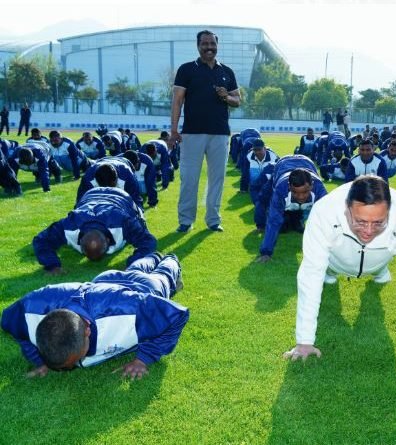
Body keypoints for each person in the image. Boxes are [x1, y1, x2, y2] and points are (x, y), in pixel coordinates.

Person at [283, 176, 396, 362]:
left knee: (381, 263)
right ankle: (331, 272)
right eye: (360, 221)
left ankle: (380, 270)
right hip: (336, 259)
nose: (368, 230)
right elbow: (310, 276)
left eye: (378, 222)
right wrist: (304, 341)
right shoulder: (324, 211)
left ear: (389, 211)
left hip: (380, 257)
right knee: (322, 271)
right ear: (347, 210)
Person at [1, 253, 188, 379]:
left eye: (74, 362)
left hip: (144, 288)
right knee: (134, 270)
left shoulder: (132, 308)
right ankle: (152, 256)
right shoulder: (30, 308)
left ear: (87, 330)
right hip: (104, 280)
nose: (69, 369)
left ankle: (169, 258)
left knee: (163, 274)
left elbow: (178, 315)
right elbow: (9, 322)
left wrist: (144, 358)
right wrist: (39, 360)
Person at [170, 29, 241, 233]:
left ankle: (213, 220)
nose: (209, 47)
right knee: (189, 179)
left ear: (217, 46)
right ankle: (185, 221)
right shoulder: (186, 69)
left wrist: (226, 97)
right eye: (205, 44)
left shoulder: (227, 71)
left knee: (217, 179)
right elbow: (177, 101)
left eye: (212, 44)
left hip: (220, 133)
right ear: (198, 46)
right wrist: (174, 130)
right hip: (192, 133)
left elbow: (237, 100)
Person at [33, 187, 156, 274]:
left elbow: (148, 240)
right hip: (90, 195)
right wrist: (52, 265)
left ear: (108, 240)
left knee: (141, 228)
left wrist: (133, 265)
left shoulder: (124, 222)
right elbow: (41, 239)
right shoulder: (70, 224)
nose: (92, 261)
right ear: (80, 241)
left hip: (122, 197)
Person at [255, 155, 327, 262]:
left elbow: (328, 221)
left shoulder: (320, 190)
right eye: (295, 192)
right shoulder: (281, 189)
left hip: (307, 162)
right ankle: (260, 225)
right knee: (263, 198)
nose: (300, 197)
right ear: (289, 186)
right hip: (282, 165)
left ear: (312, 186)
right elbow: (274, 220)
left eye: (305, 192)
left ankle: (297, 221)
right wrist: (266, 252)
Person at [77, 156, 143, 208]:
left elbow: (136, 200)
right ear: (96, 180)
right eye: (103, 188)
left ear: (116, 179)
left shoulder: (128, 175)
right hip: (101, 161)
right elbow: (81, 201)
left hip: (123, 161)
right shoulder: (88, 178)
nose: (108, 192)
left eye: (110, 187)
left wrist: (139, 217)